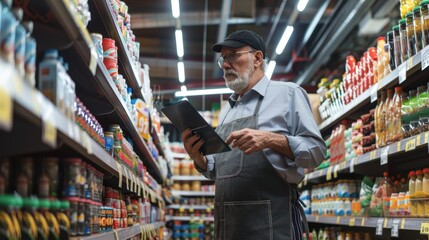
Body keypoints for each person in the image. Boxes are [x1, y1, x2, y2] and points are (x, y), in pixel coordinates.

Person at [181, 30, 326, 240]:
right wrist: (200, 159)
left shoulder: (288, 93)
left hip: (272, 226)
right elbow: (219, 171)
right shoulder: (226, 111)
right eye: (223, 58)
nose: (224, 64)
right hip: (228, 226)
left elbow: (317, 152)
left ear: (257, 58)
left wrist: (270, 139)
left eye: (232, 55)